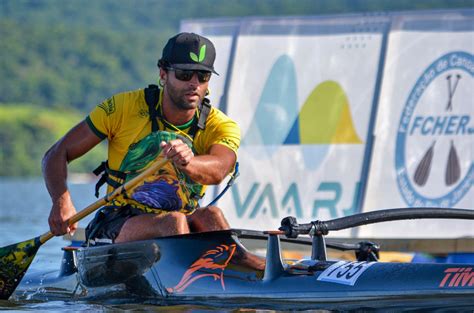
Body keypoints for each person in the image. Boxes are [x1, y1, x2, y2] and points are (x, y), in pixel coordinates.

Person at [43, 33, 242, 247]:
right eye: (185, 74)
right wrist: (61, 202)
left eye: (202, 76)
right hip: (118, 221)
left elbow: (220, 169)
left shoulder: (221, 125)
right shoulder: (121, 108)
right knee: (172, 222)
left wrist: (189, 162)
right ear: (163, 74)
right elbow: (55, 154)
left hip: (182, 221)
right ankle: (191, 275)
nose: (194, 84)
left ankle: (249, 271)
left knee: (211, 215)